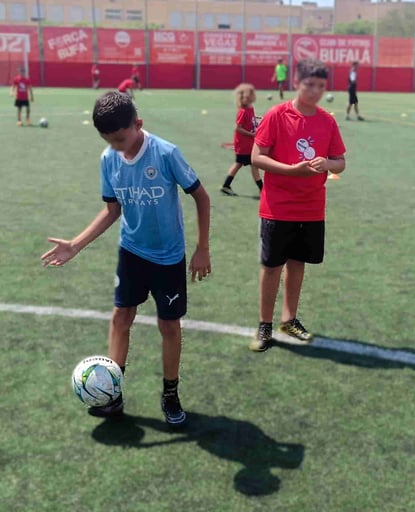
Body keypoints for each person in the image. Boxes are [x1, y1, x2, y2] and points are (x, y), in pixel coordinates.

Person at [40, 91, 211, 426]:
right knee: (120, 318)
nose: (116, 146)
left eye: (120, 138)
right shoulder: (109, 159)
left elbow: (201, 198)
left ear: (138, 124)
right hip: (132, 252)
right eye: (109, 140)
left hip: (168, 257)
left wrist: (202, 248)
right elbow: (112, 210)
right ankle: (112, 393)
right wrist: (76, 244)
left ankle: (170, 393)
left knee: (169, 325)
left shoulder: (165, 153)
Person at [249, 58, 346, 352]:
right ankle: (265, 325)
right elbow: (257, 156)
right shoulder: (277, 115)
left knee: (298, 263)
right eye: (309, 85)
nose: (314, 91)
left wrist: (327, 163)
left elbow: (341, 162)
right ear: (296, 82)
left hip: (311, 208)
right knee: (271, 266)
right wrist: (293, 170)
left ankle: (288, 319)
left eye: (320, 86)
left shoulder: (327, 121)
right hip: (278, 207)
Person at [221, 83, 264, 196]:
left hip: (249, 144)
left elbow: (250, 119)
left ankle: (226, 185)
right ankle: (262, 189)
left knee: (245, 164)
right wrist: (252, 134)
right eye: (252, 93)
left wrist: (259, 119)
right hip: (244, 145)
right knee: (249, 165)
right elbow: (238, 128)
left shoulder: (250, 108)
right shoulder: (243, 111)